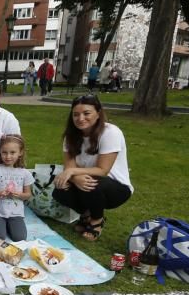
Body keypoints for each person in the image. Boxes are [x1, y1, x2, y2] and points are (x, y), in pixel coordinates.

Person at [52, 95, 133, 242]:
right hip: (85, 180)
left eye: (86, 113)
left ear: (98, 113)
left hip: (114, 187)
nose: (80, 118)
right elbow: (69, 166)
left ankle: (97, 220)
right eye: (76, 114)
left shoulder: (110, 132)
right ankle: (85, 215)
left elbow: (103, 170)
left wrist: (72, 172)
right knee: (59, 188)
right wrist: (74, 177)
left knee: (91, 183)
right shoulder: (70, 136)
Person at [0, 134, 33, 242]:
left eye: (12, 152)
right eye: (4, 152)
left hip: (15, 213)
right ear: (0, 152)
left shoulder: (25, 173)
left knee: (20, 238)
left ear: (20, 152)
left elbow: (28, 194)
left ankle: (9, 226)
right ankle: (0, 226)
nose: (8, 156)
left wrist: (19, 194)